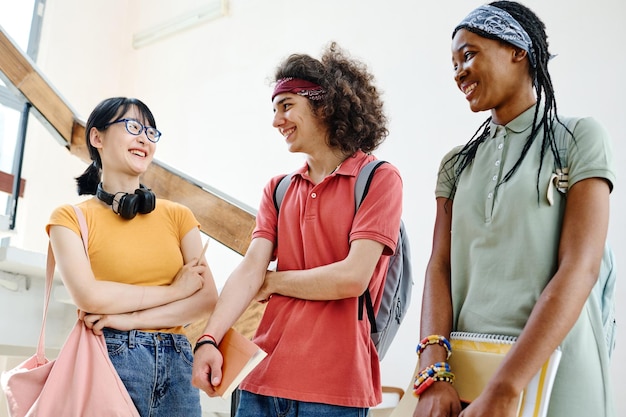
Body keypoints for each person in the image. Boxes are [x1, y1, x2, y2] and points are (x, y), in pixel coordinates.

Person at [413, 2, 616, 417]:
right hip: (467, 375)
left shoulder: (578, 138)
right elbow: (440, 266)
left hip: (559, 371)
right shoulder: (457, 164)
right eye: (453, 63)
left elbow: (581, 266)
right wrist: (433, 368)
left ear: (517, 50)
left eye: (468, 54)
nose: (459, 72)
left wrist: (505, 389)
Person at [191, 42, 403, 416]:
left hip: (335, 389)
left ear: (325, 104)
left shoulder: (378, 179)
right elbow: (249, 269)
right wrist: (208, 339)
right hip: (260, 380)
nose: (277, 121)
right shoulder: (278, 189)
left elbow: (352, 278)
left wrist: (273, 282)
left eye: (287, 105)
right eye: (274, 109)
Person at [47, 97, 218, 417]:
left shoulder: (179, 215)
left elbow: (206, 299)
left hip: (178, 362)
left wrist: (128, 319)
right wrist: (175, 292)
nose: (144, 138)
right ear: (97, 138)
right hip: (111, 355)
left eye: (151, 132)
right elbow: (89, 295)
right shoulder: (69, 218)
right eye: (132, 127)